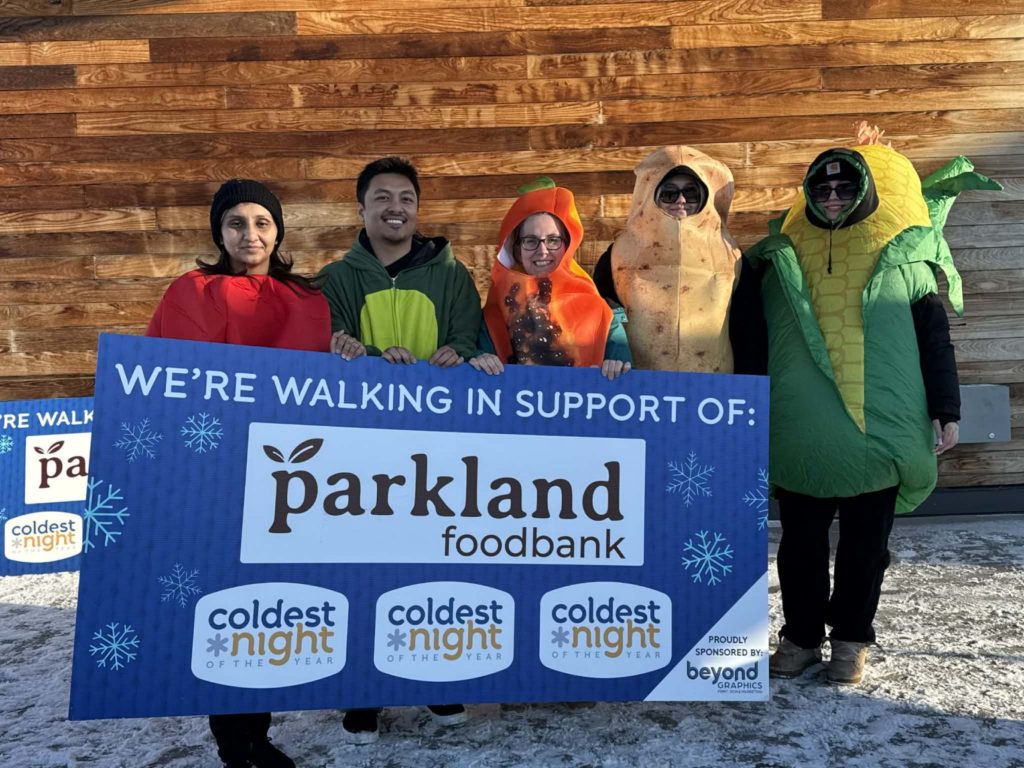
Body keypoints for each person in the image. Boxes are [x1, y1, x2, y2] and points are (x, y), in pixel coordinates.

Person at [729, 126, 997, 685]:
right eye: (822, 189)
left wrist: (946, 408)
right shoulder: (778, 259)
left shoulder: (904, 260)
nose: (832, 198)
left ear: (866, 193)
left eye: (845, 188)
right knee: (799, 547)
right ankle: (801, 638)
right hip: (801, 430)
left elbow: (933, 338)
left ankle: (851, 640)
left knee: (865, 548)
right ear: (808, 194)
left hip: (881, 427)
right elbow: (751, 337)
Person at [148, 178, 329, 767]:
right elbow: (162, 376)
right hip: (212, 475)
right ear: (219, 233)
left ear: (278, 234)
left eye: (262, 223)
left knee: (266, 600)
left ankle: (259, 730)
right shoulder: (189, 292)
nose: (250, 234)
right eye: (236, 223)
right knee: (221, 599)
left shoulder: (306, 299)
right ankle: (232, 739)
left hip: (286, 482)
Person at [318, 156, 475, 743]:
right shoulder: (335, 278)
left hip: (436, 450)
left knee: (433, 563)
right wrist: (359, 353)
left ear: (417, 208)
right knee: (362, 566)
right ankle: (362, 689)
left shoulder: (453, 275)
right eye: (382, 197)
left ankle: (435, 676)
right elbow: (327, 341)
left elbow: (469, 337)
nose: (395, 207)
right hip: (359, 452)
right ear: (361, 208)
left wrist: (458, 353)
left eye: (406, 197)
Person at [592, 146, 740, 374]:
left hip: (712, 385)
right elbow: (602, 318)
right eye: (669, 193)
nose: (681, 200)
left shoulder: (732, 256)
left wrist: (751, 385)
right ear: (651, 195)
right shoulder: (617, 255)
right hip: (637, 383)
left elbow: (747, 326)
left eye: (691, 193)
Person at [472, 176, 631, 379]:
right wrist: (478, 360)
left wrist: (616, 368)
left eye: (553, 240)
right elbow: (476, 376)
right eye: (531, 241)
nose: (542, 251)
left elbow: (626, 375)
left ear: (567, 246)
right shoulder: (494, 316)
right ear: (517, 249)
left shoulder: (603, 315)